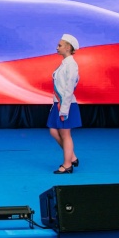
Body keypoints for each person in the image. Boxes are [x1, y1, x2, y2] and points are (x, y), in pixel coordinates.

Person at [48, 33, 81, 174]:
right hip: (59, 103)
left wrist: (64, 109)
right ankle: (72, 156)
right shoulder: (64, 64)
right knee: (53, 131)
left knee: (65, 134)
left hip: (65, 104)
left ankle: (67, 165)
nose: (57, 47)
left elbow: (69, 88)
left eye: (60, 45)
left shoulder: (71, 65)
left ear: (68, 47)